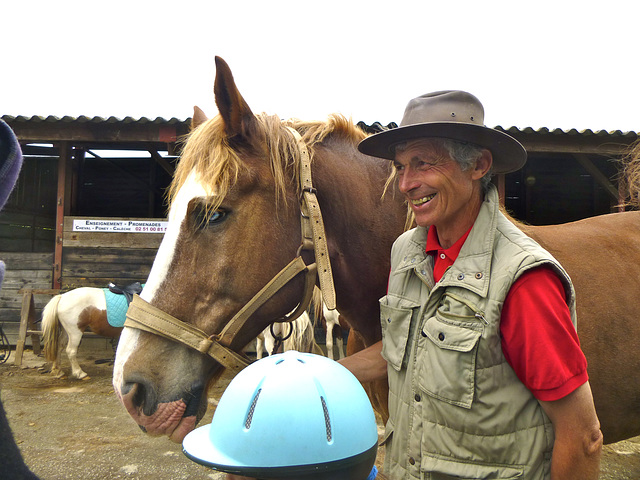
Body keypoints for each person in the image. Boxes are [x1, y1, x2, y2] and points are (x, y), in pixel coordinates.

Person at [340, 90, 603, 479]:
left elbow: (582, 435)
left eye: (423, 163)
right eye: (401, 167)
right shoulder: (407, 252)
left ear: (478, 165)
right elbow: (407, 347)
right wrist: (315, 374)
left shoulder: (521, 279)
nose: (406, 184)